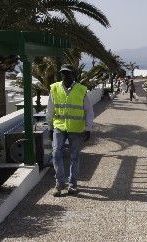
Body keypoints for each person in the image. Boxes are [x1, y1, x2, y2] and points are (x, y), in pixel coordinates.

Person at [47, 64, 93, 197]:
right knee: (56, 154)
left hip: (76, 129)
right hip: (59, 127)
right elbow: (50, 110)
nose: (65, 75)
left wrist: (88, 128)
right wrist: (50, 127)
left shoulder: (81, 90)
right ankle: (60, 183)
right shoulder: (54, 88)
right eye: (63, 73)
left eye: (68, 73)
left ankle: (73, 185)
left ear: (74, 75)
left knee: (75, 156)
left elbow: (89, 111)